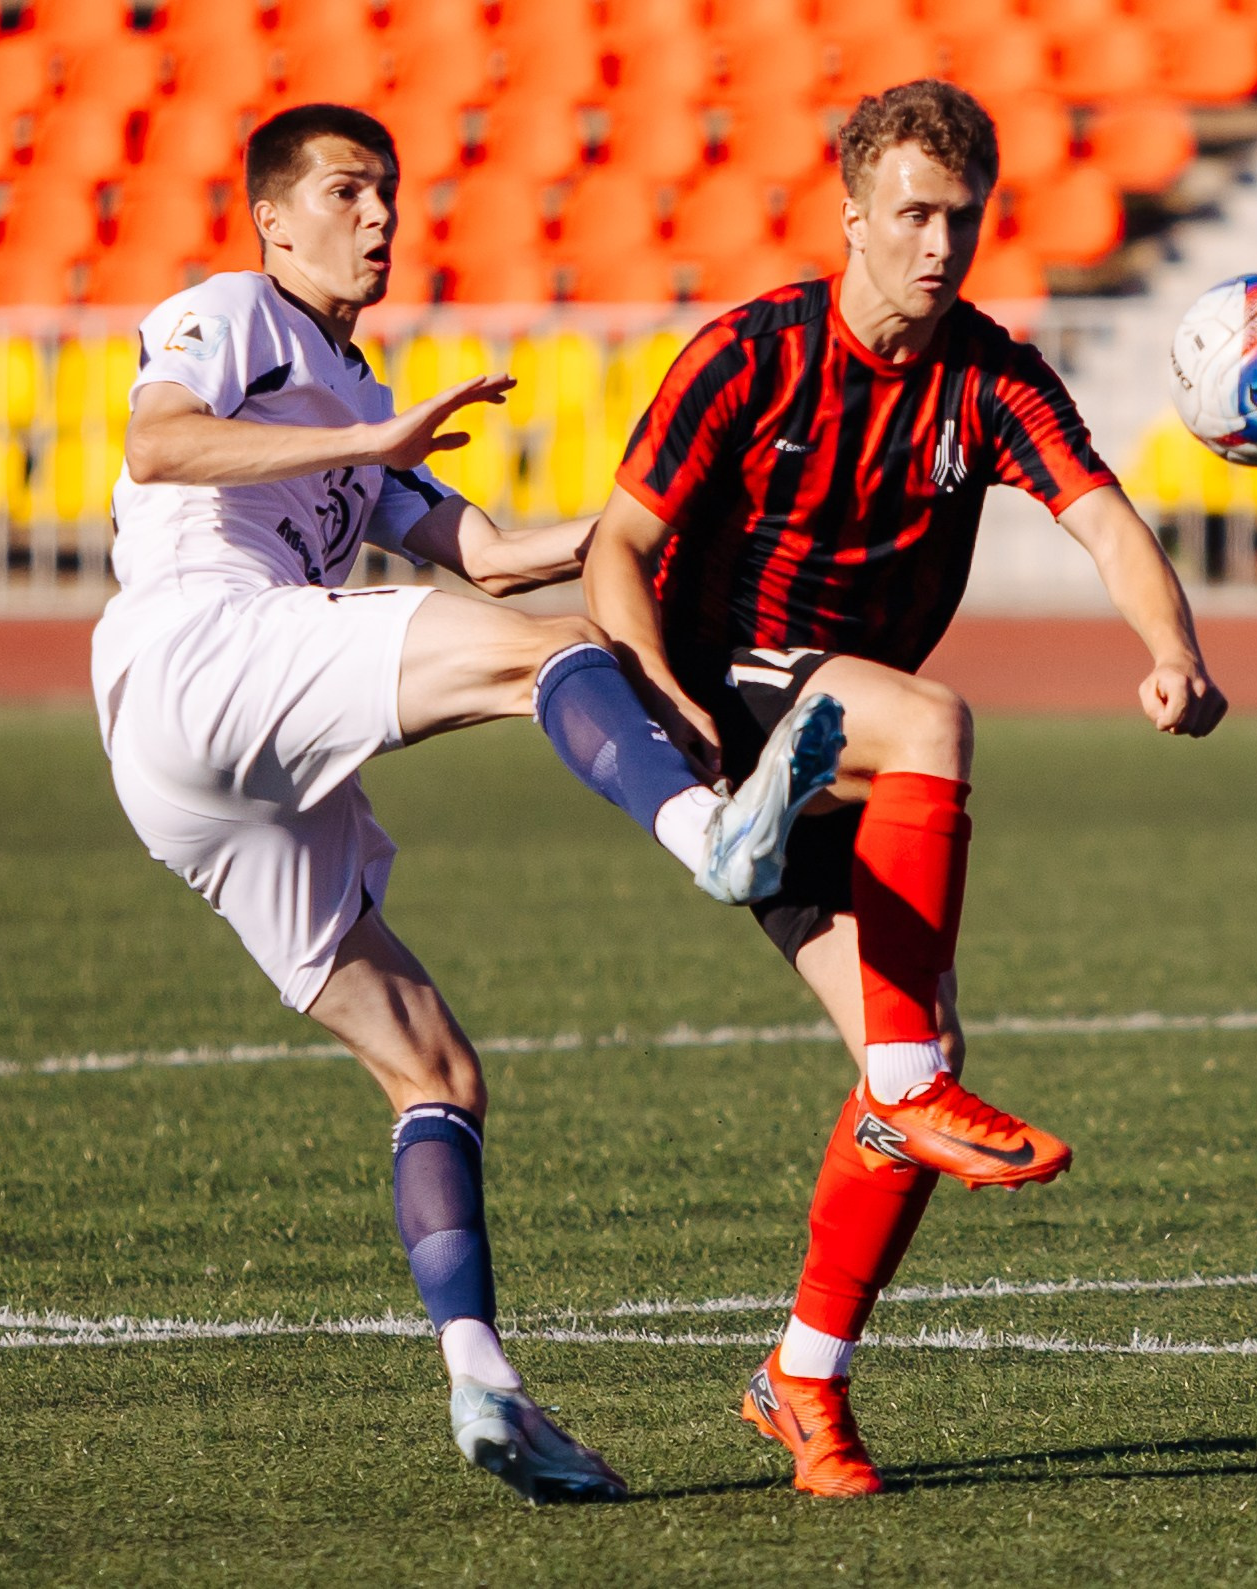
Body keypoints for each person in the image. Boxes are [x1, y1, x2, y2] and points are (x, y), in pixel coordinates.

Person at [98, 103, 844, 1504]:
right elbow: (160, 446)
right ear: (272, 216)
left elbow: (494, 551)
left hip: (193, 770)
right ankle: (712, 837)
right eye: (346, 190)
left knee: (435, 1071)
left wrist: (673, 506)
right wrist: (366, 438)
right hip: (200, 650)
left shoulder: (343, 390)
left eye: (388, 190)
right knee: (544, 660)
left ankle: (486, 1383)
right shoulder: (231, 312)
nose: (378, 216)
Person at [581, 78, 1229, 1497]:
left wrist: (1173, 648)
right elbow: (616, 543)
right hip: (729, 705)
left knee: (902, 1053)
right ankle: (916, 1087)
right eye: (915, 215)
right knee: (934, 720)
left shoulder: (989, 375)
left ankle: (801, 1381)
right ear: (853, 215)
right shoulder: (748, 355)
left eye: (964, 218)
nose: (941, 245)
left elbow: (1106, 519)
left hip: (830, 761)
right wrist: (657, 695)